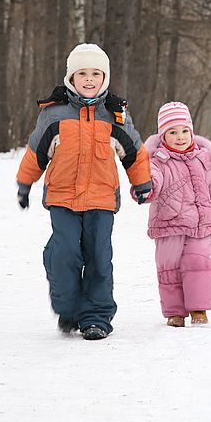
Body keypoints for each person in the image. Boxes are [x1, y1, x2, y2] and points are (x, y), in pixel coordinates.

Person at [16, 43, 152, 340]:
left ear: (105, 78)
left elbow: (134, 152)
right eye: (82, 73)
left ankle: (96, 317)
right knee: (64, 252)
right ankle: (68, 307)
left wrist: (141, 183)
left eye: (95, 73)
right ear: (71, 77)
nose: (89, 79)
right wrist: (25, 183)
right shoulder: (54, 114)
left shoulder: (115, 114)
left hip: (102, 199)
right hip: (62, 198)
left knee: (99, 257)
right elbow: (36, 152)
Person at [133, 101, 211, 327]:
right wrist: (145, 188)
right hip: (169, 224)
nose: (180, 137)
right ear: (163, 136)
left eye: (184, 131)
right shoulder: (157, 161)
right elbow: (151, 180)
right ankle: (175, 312)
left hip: (200, 225)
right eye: (172, 132)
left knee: (198, 263)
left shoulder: (202, 159)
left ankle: (198, 308)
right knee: (169, 268)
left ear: (191, 132)